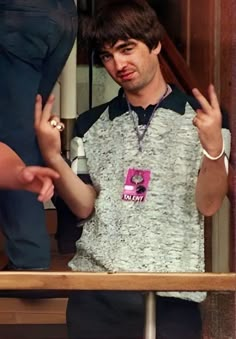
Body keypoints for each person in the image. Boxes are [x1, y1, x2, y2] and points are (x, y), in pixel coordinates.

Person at [34, 1, 231, 338]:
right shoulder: (90, 123)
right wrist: (52, 157)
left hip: (174, 293)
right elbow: (84, 205)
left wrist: (214, 148)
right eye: (107, 56)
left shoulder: (204, 118)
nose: (118, 64)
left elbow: (209, 204)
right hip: (97, 293)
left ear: (155, 44)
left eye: (126, 49)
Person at [0, 0, 78, 269]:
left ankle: (29, 260)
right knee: (33, 125)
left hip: (16, 16)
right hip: (63, 15)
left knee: (14, 137)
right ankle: (70, 219)